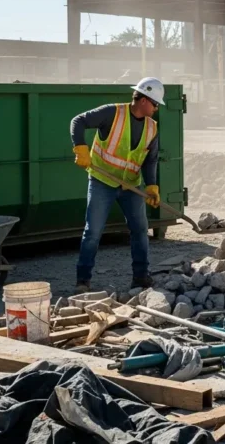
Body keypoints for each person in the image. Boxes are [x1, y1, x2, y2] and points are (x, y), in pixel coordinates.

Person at [69, 77, 164, 293]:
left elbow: (151, 160)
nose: (157, 108)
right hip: (102, 181)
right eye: (155, 103)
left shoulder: (152, 128)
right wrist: (80, 148)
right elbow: (78, 121)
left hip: (130, 185)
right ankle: (82, 281)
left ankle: (140, 277)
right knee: (93, 231)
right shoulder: (112, 113)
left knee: (140, 229)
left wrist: (151, 186)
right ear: (143, 100)